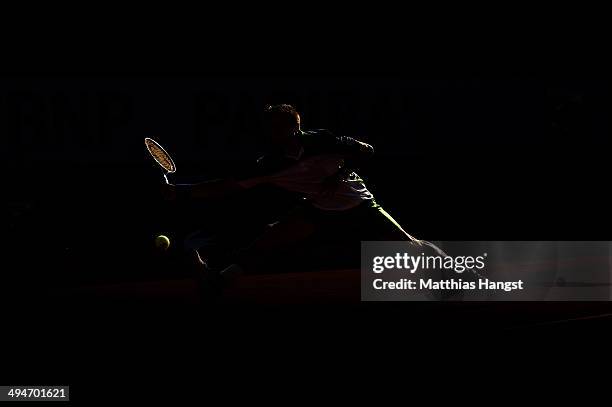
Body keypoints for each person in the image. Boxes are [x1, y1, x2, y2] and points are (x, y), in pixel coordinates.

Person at [163, 104, 439, 283]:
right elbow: (227, 185)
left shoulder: (322, 140)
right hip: (317, 208)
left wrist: (338, 175)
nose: (272, 132)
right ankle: (219, 282)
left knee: (408, 242)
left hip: (359, 202)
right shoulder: (270, 163)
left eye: (278, 127)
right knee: (267, 242)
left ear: (294, 127)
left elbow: (367, 150)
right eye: (269, 128)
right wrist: (181, 191)